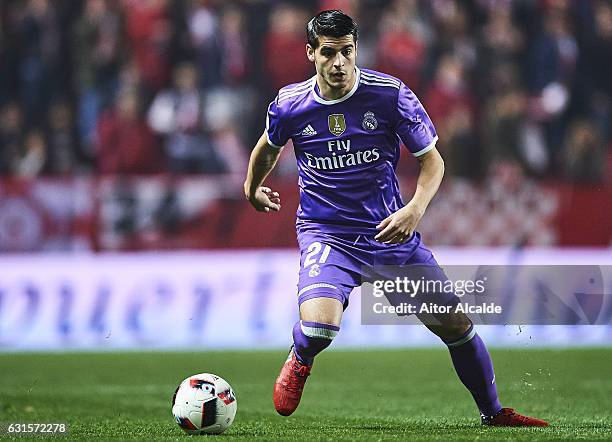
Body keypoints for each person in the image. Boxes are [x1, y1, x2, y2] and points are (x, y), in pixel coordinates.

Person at [244, 10, 548, 427]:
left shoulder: (389, 95)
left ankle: (493, 413)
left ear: (356, 49)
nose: (339, 63)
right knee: (319, 328)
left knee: (456, 325)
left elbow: (433, 163)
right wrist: (251, 187)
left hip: (390, 233)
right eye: (329, 53)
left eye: (347, 52)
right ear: (310, 52)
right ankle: (301, 356)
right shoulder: (290, 104)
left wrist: (415, 209)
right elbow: (268, 146)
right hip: (327, 233)